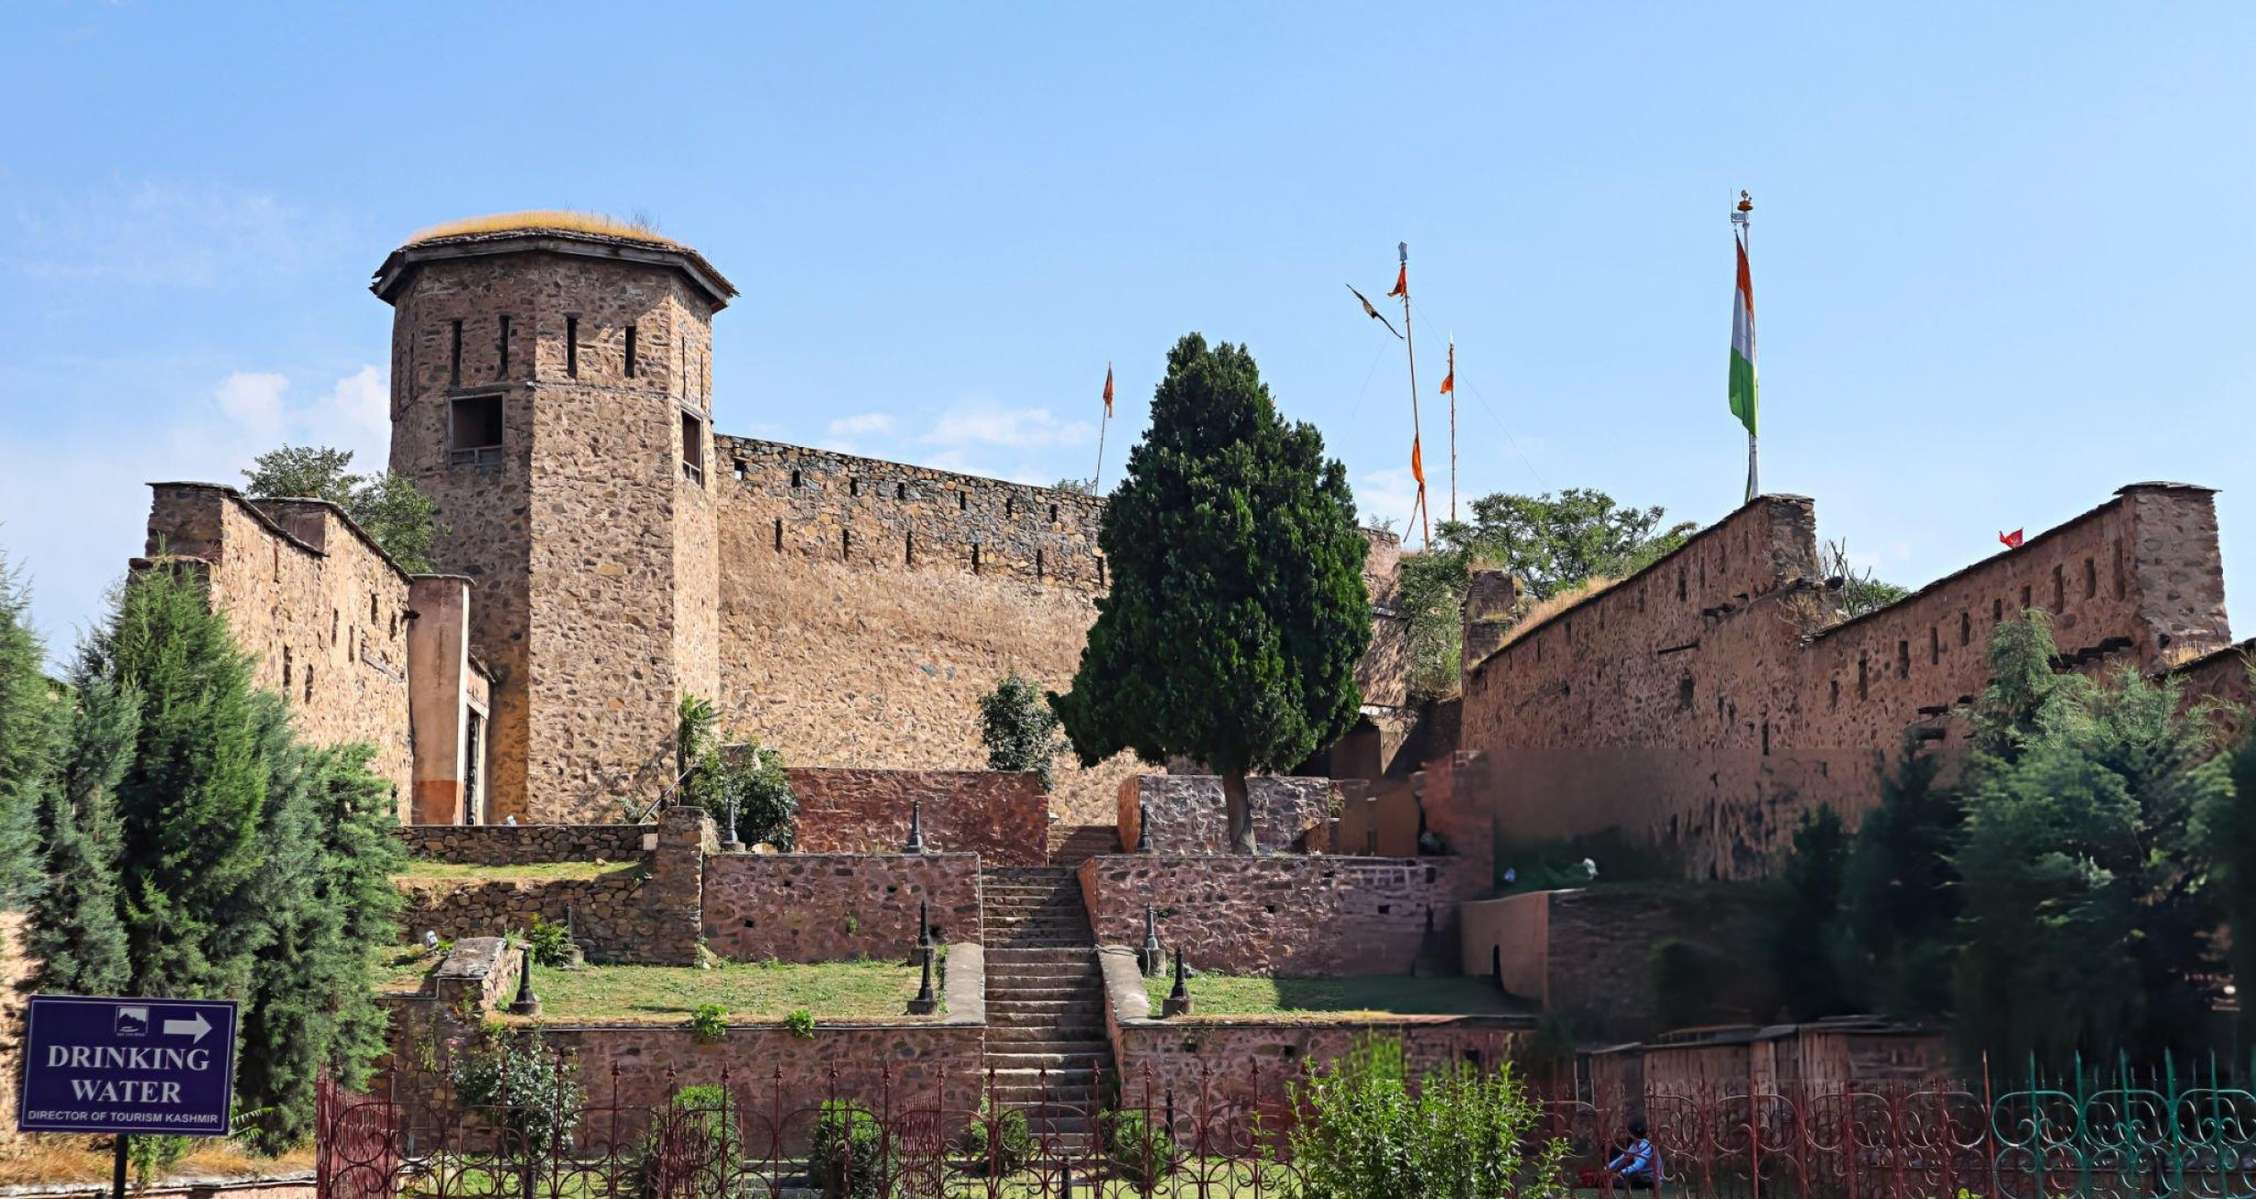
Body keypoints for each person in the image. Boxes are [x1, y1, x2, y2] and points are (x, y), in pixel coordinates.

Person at [1606, 1118, 1662, 1191]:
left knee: (1620, 1183)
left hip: (1651, 1179)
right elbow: (1622, 1159)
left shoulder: (1646, 1146)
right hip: (1641, 1177)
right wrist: (1607, 1168)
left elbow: (1638, 1166)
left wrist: (1621, 1173)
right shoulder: (1634, 1146)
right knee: (1614, 1182)